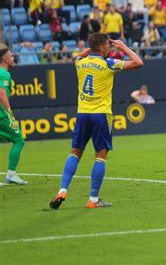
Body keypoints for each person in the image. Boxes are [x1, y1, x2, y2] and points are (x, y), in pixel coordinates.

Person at [49, 35, 143, 209]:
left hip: (83, 114)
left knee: (75, 152)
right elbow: (138, 62)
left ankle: (62, 189)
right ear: (101, 48)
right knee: (100, 156)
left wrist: (92, 48)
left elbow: (78, 56)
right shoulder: (109, 63)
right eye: (108, 45)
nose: (110, 48)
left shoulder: (80, 63)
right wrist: (122, 46)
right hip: (101, 115)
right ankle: (93, 199)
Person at [0, 45, 27, 185]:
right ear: (4, 59)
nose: (13, 58)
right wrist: (10, 114)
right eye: (10, 55)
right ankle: (11, 174)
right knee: (19, 140)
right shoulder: (4, 73)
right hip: (1, 115)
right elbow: (2, 93)